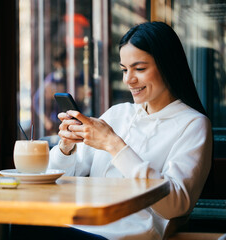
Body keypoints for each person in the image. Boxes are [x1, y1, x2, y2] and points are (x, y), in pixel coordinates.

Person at [45, 21, 213, 240]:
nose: (128, 80)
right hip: (80, 223)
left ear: (167, 65)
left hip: (124, 234)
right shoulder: (117, 114)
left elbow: (175, 205)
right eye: (124, 69)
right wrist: (66, 148)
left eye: (139, 69)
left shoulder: (193, 125)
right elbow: (56, 180)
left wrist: (115, 145)